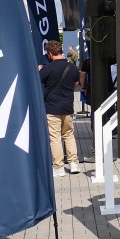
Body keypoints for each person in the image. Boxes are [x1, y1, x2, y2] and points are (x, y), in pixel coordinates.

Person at [40, 40, 81, 176]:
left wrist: (39, 69)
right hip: (68, 107)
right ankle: (74, 163)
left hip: (52, 108)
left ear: (50, 54)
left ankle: (58, 167)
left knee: (55, 137)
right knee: (69, 135)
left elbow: (38, 80)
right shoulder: (73, 67)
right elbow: (76, 84)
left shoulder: (48, 68)